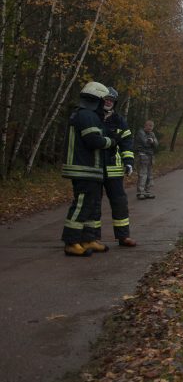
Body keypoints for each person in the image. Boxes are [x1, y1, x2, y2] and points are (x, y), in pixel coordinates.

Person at [61, 81, 117, 256]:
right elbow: (93, 140)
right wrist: (111, 142)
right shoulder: (86, 115)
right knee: (82, 204)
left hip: (90, 169)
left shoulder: (86, 114)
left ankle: (88, 239)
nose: (105, 104)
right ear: (97, 100)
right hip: (83, 168)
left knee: (92, 206)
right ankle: (71, 242)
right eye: (104, 100)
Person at [100, 87, 136, 246]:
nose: (108, 102)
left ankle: (123, 236)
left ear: (114, 103)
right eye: (106, 99)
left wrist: (128, 162)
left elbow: (126, 143)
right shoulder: (92, 116)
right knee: (93, 203)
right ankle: (93, 237)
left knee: (120, 203)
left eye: (111, 100)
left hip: (114, 169)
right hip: (95, 168)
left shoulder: (119, 120)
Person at [134, 120, 158, 199]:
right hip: (142, 155)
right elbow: (145, 143)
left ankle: (147, 191)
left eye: (152, 126)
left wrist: (153, 142)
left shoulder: (152, 134)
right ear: (145, 125)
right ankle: (140, 192)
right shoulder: (140, 133)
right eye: (149, 125)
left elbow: (156, 144)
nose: (150, 127)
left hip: (150, 156)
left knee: (149, 175)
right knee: (142, 174)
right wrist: (151, 142)